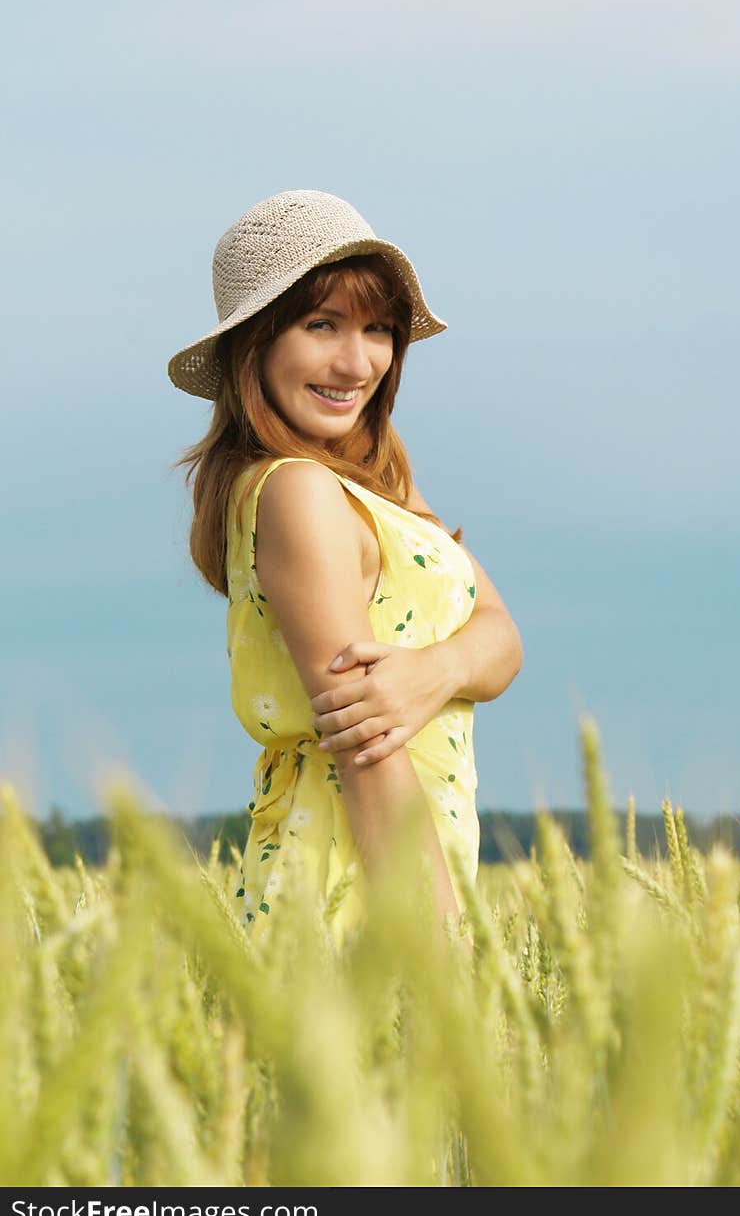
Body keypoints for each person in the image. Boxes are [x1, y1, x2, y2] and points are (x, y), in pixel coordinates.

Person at [166, 189, 522, 952]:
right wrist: (438, 952)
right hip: (354, 889)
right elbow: (365, 746)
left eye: (378, 330)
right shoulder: (296, 491)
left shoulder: (377, 485)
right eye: (320, 324)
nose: (356, 362)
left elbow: (502, 640)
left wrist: (434, 670)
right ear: (253, 345)